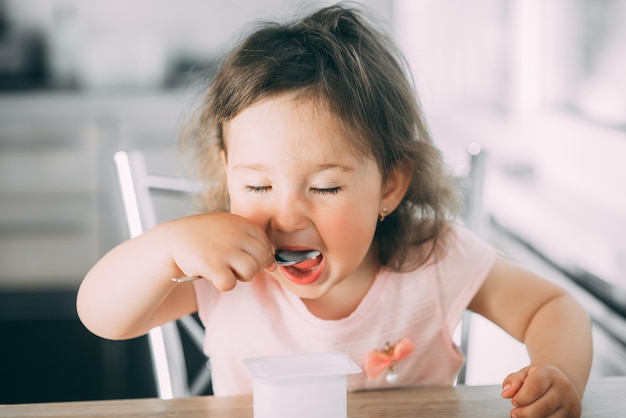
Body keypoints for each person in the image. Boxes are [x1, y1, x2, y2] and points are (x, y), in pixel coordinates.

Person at [77, 4, 592, 417]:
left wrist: (557, 373)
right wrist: (165, 248)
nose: (287, 216)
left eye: (324, 188)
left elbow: (552, 307)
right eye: (257, 185)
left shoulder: (433, 258)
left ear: (389, 186)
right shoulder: (220, 267)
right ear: (226, 171)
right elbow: (100, 316)